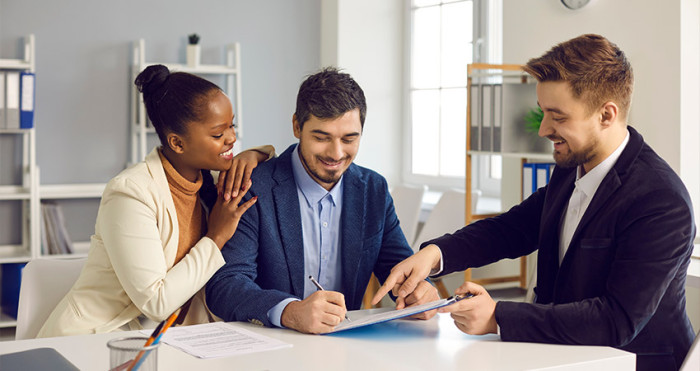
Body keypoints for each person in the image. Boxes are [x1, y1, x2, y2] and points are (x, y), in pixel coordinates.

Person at [372, 34, 695, 371]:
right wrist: (435, 255)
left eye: (558, 117)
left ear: (606, 115)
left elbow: (616, 320)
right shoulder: (570, 170)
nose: (543, 130)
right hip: (565, 358)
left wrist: (498, 316)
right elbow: (511, 230)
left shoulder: (661, 201)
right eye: (543, 113)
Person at [38, 65, 275, 337]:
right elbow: (156, 303)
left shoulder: (210, 181)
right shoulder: (130, 193)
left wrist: (253, 154)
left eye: (232, 125)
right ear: (177, 143)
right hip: (97, 338)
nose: (232, 138)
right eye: (218, 134)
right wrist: (216, 237)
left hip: (175, 338)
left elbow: (274, 160)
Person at [206, 67, 439, 334]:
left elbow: (398, 267)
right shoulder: (252, 185)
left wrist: (422, 291)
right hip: (268, 348)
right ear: (296, 126)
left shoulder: (373, 189)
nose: (336, 153)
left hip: (346, 346)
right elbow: (225, 285)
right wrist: (290, 312)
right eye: (321, 137)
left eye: (349, 138)